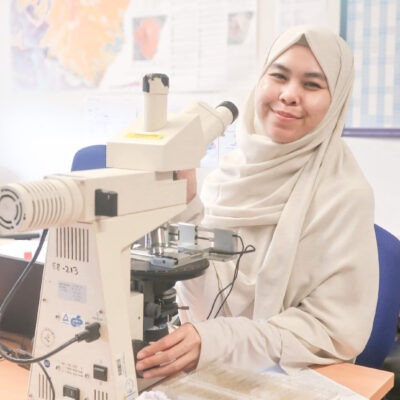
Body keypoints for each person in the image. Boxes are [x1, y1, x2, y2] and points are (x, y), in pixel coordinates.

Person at [135, 25, 379, 378]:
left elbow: (332, 331)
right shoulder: (226, 177)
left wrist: (223, 338)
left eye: (312, 84)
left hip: (293, 377)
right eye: (278, 76)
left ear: (336, 99)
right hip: (210, 367)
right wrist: (187, 205)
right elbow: (207, 299)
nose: (289, 95)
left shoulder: (345, 196)